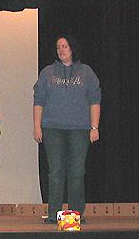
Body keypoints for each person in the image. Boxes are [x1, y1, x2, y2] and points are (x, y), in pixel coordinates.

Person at [33, 34, 101, 223]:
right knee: (55, 172)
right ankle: (54, 214)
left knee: (77, 172)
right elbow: (38, 101)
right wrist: (37, 126)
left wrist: (94, 126)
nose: (61, 50)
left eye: (64, 46)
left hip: (80, 129)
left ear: (72, 48)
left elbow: (95, 100)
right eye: (58, 47)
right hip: (52, 129)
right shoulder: (47, 73)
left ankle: (75, 215)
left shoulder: (86, 72)